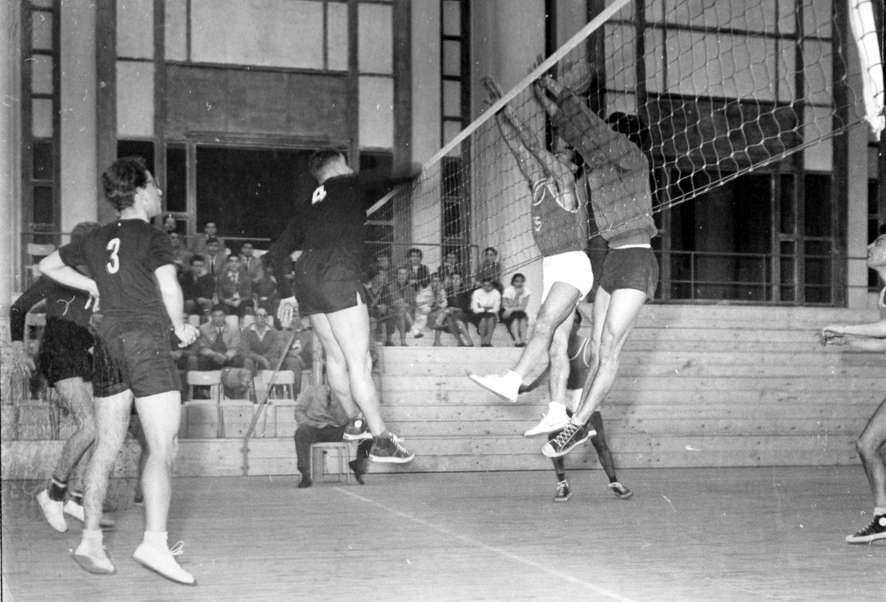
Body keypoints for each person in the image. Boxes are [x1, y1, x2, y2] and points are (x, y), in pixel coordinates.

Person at [38, 156, 200, 584]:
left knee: (107, 445)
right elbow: (169, 286)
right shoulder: (153, 236)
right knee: (162, 448)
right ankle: (154, 543)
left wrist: (92, 283)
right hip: (146, 343)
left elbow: (48, 266)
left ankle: (90, 540)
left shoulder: (95, 239)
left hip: (107, 344)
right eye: (156, 187)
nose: (161, 194)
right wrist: (181, 327)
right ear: (142, 190)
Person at [530, 73, 658, 459]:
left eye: (608, 136)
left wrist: (560, 91)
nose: (594, 143)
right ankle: (580, 421)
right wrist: (543, 96)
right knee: (596, 351)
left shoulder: (634, 160)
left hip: (637, 259)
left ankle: (577, 423)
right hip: (613, 260)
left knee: (610, 349)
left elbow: (589, 129)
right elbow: (576, 129)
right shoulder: (599, 170)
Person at [267, 148, 416, 463]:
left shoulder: (308, 203)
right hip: (338, 275)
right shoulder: (348, 184)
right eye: (347, 163)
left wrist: (285, 292)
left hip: (306, 279)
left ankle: (354, 421)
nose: (351, 168)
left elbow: (278, 252)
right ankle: (382, 439)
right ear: (335, 166)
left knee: (336, 358)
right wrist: (415, 169)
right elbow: (402, 173)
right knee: (359, 362)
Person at [469, 76, 592, 439]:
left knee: (541, 325)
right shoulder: (539, 185)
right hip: (555, 268)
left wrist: (507, 108)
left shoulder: (567, 186)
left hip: (572, 264)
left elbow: (535, 149)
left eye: (565, 157)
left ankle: (514, 379)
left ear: (572, 168)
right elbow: (520, 149)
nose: (558, 158)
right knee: (556, 344)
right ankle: (556, 411)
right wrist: (497, 115)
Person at [9, 222, 114, 532]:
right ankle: (53, 494)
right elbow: (19, 308)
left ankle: (77, 500)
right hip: (59, 345)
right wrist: (18, 348)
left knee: (100, 430)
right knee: (89, 425)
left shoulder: (97, 279)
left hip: (84, 347)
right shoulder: (56, 275)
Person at [521, 311, 632, 502]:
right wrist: (529, 387)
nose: (568, 327)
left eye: (572, 322)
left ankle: (614, 482)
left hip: (583, 398)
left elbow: (600, 369)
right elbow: (550, 372)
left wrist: (594, 398)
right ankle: (562, 484)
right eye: (564, 323)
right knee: (555, 441)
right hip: (564, 398)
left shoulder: (587, 345)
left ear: (578, 325)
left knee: (600, 443)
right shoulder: (557, 346)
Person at [820, 232, 886, 544]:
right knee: (867, 445)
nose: (870, 246)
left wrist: (845, 326)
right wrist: (850, 341)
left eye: (880, 242)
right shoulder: (884, 294)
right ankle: (883, 518)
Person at [293, 384, 373, 488]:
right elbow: (299, 411)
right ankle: (305, 473)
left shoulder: (346, 392)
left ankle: (358, 465)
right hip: (315, 428)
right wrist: (310, 423)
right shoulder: (311, 390)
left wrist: (340, 409)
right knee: (301, 432)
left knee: (367, 431)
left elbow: (352, 416)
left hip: (337, 429)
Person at [196, 305, 245, 370]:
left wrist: (226, 356)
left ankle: (233, 378)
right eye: (215, 316)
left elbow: (235, 348)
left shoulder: (234, 329)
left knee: (238, 359)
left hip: (227, 357)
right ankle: (205, 379)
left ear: (225, 316)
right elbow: (202, 347)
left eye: (220, 316)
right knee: (201, 359)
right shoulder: (203, 328)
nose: (218, 319)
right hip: (211, 357)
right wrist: (213, 355)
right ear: (211, 317)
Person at [501, 273, 531, 347]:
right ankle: (517, 341)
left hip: (516, 311)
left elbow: (523, 307)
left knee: (523, 319)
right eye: (517, 281)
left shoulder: (526, 291)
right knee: (515, 319)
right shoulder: (508, 290)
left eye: (521, 281)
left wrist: (512, 309)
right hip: (506, 312)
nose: (519, 283)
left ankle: (523, 341)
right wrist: (517, 295)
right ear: (513, 282)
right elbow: (510, 305)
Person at [470, 276, 501, 347]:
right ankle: (482, 341)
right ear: (482, 285)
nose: (487, 287)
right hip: (477, 314)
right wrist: (488, 308)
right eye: (485, 285)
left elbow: (496, 308)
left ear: (492, 285)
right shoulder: (477, 292)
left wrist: (483, 307)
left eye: (489, 285)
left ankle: (488, 342)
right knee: (483, 319)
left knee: (491, 319)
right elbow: (475, 308)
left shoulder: (496, 293)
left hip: (491, 314)